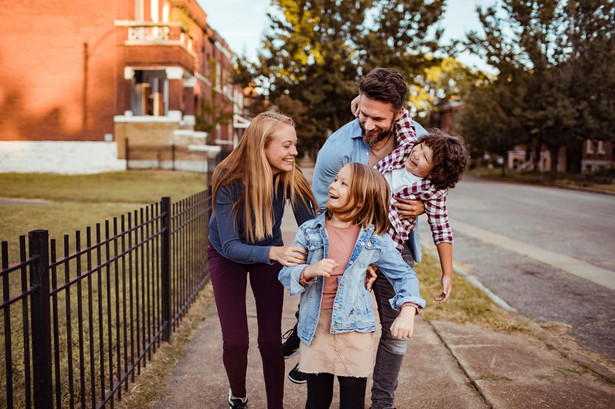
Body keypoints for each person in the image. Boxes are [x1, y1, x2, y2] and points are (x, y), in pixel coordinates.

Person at [283, 67, 429, 409]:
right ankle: (309, 347)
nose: (367, 124)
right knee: (331, 307)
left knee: (394, 336)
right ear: (356, 104)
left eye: (378, 118)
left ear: (398, 114)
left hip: (394, 245)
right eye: (363, 113)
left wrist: (422, 205)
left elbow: (442, 178)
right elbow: (318, 206)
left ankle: (381, 403)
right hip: (343, 245)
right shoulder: (336, 147)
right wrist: (342, 256)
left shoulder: (419, 140)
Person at [278, 163, 426, 409]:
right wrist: (307, 271)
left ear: (361, 200)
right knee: (316, 401)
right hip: (316, 327)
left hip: (355, 329)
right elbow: (285, 274)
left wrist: (408, 309)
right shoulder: (309, 231)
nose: (333, 186)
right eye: (335, 179)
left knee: (353, 402)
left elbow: (404, 276)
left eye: (343, 183)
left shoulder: (375, 239)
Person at [207, 111, 318, 409]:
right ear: (262, 145)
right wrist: (276, 253)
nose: (294, 151)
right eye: (287, 145)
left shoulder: (287, 174)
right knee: (236, 341)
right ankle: (238, 395)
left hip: (268, 252)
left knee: (270, 341)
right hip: (226, 254)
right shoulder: (228, 176)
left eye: (294, 144)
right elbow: (230, 246)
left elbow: (313, 227)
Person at [383, 128, 470, 303]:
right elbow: (402, 118)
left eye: (425, 157)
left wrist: (447, 274)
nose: (416, 154)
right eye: (420, 146)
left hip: (388, 243)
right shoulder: (407, 147)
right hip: (359, 226)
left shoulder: (433, 192)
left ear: (433, 173)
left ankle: (408, 307)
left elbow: (441, 230)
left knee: (401, 291)